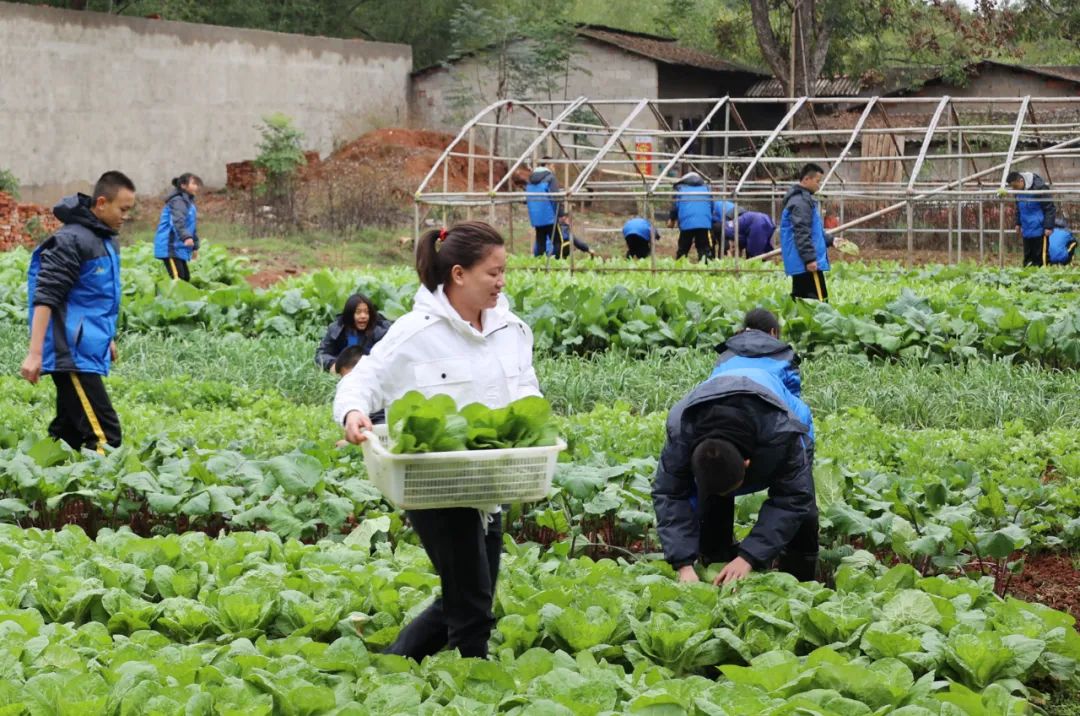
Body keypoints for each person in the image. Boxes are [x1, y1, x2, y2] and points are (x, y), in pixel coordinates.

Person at [334, 221, 541, 660]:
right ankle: (475, 682)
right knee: (472, 603)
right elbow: (363, 381)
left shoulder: (512, 330)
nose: (502, 283)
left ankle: (392, 664)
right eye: (493, 273)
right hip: (434, 482)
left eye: (505, 271)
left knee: (465, 593)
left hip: (488, 481)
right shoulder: (415, 332)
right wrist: (353, 414)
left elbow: (526, 389)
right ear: (459, 274)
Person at [652, 367, 818, 586]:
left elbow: (794, 497)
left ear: (747, 463)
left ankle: (801, 578)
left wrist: (749, 557)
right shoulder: (682, 431)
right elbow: (669, 493)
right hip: (717, 402)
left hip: (783, 416)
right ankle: (718, 562)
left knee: (805, 515)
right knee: (711, 509)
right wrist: (683, 564)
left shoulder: (783, 434)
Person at [21, 171, 136, 454]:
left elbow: (93, 299)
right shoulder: (71, 240)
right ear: (101, 203)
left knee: (67, 435)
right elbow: (46, 297)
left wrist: (106, 338)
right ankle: (99, 497)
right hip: (70, 352)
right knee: (106, 439)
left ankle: (45, 488)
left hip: (86, 347)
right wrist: (35, 353)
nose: (126, 216)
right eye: (122, 209)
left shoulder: (106, 240)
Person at [713, 308, 802, 399]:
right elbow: (793, 399)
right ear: (773, 332)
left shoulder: (725, 355)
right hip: (766, 410)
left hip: (718, 408)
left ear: (747, 329)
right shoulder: (786, 357)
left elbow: (711, 388)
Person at [780, 163, 835, 301]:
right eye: (817, 181)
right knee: (818, 302)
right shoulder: (801, 202)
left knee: (801, 301)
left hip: (802, 263)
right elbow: (801, 232)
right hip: (806, 264)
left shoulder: (803, 200)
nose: (819, 185)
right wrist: (809, 259)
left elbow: (814, 230)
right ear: (806, 180)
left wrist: (831, 240)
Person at [315, 293, 391, 373]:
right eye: (358, 312)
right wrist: (332, 364)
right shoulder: (337, 329)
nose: (363, 316)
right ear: (350, 314)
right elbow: (321, 354)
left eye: (366, 312)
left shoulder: (380, 330)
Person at [154, 173, 202, 281]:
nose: (196, 187)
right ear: (183, 186)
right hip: (170, 246)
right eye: (193, 183)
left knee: (185, 278)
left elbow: (191, 227)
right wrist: (186, 237)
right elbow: (177, 221)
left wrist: (195, 247)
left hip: (178, 247)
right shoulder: (178, 201)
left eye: (197, 184)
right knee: (178, 280)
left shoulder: (188, 203)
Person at [1006, 171, 1057, 267]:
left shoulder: (1039, 187)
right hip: (1026, 229)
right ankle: (1028, 278)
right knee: (1028, 257)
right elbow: (1019, 208)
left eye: (1015, 186)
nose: (1014, 189)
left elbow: (1049, 208)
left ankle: (1043, 278)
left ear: (1021, 181)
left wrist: (1048, 226)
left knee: (1040, 258)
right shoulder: (1018, 191)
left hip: (1040, 229)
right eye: (1012, 187)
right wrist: (1018, 223)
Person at [525, 158, 567, 257]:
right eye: (553, 166)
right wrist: (560, 214)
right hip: (550, 217)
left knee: (540, 242)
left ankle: (539, 265)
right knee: (558, 242)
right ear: (547, 165)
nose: (554, 168)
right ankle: (556, 264)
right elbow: (555, 196)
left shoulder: (531, 179)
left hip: (536, 217)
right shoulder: (550, 178)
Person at [667, 172, 713, 261]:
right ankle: (707, 269)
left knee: (683, 248)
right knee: (704, 249)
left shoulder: (681, 190)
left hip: (687, 223)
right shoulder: (706, 189)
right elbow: (711, 206)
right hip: (703, 223)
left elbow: (675, 207)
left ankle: (679, 268)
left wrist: (672, 219)